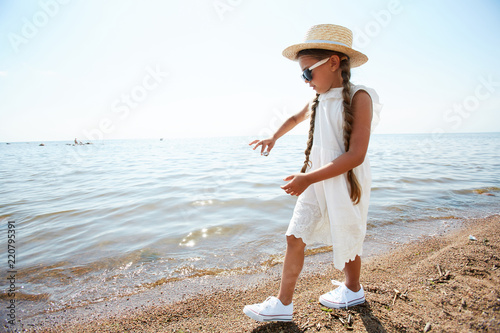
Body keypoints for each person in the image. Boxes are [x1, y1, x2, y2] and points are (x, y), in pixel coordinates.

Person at [244, 24, 381, 322]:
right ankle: (283, 304)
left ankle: (353, 289)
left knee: (347, 233)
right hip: (315, 178)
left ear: (333, 62)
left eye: (308, 72)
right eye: (302, 75)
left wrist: (307, 178)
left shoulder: (360, 97)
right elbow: (295, 117)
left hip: (345, 178)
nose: (305, 80)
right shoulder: (318, 98)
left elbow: (356, 154)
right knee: (295, 235)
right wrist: (274, 137)